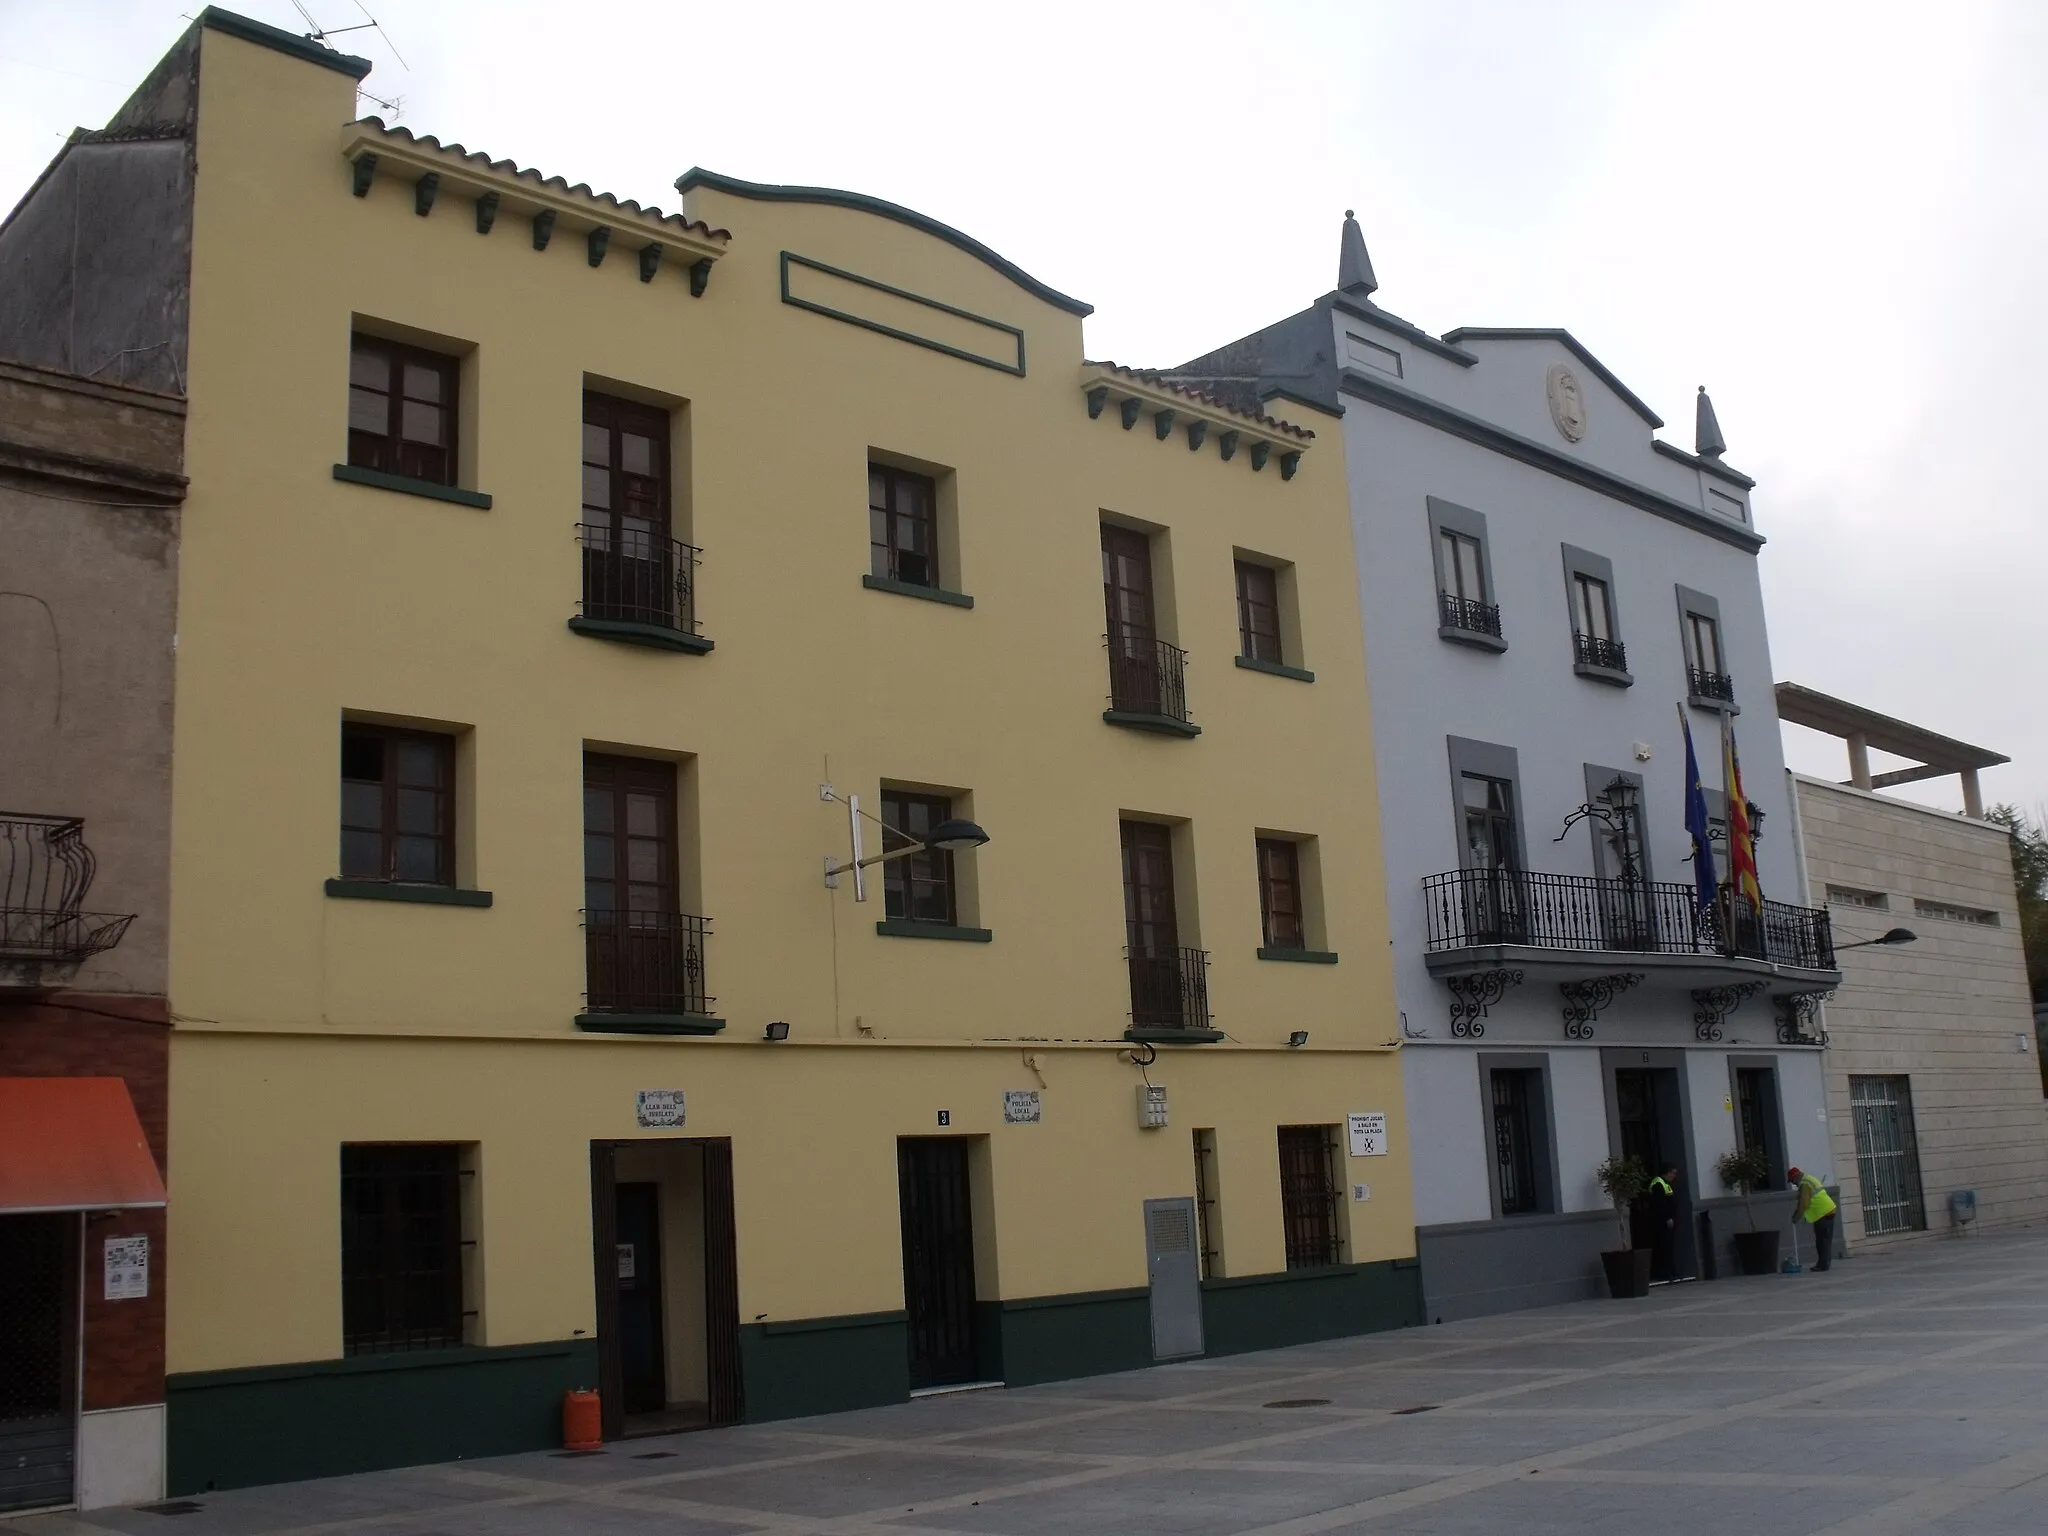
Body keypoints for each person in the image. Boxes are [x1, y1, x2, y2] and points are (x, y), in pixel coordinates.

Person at [1787, 1166, 1838, 1272]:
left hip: (1823, 1213)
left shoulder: (1804, 1184)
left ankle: (1822, 1265)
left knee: (1822, 1241)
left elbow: (1804, 1204)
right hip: (1828, 1210)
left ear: (1795, 1177)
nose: (1793, 1184)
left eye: (1792, 1181)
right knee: (1825, 1240)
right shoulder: (1809, 1179)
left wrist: (1796, 1217)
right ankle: (1824, 1263)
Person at [1646, 1165, 1679, 1282]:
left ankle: (1671, 1271)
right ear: (1666, 1173)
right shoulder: (1658, 1184)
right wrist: (1667, 1218)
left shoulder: (1665, 1183)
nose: (1674, 1176)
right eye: (1673, 1173)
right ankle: (1665, 1272)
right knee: (1664, 1247)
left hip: (1666, 1221)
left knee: (1669, 1247)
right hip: (1661, 1223)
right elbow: (1659, 1204)